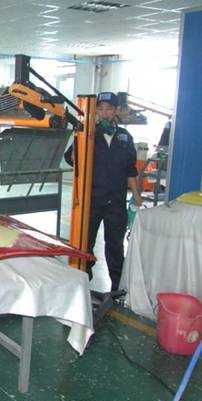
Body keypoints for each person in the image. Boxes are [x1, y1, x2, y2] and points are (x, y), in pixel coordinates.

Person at [64, 92, 142, 292]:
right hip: (92, 200)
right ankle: (82, 282)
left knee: (115, 245)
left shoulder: (125, 137)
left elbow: (130, 169)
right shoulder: (88, 134)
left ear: (115, 111)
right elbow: (71, 158)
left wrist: (136, 194)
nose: (104, 112)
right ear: (96, 111)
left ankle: (117, 287)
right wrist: (75, 153)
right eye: (101, 109)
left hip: (116, 201)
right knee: (85, 243)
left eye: (109, 109)